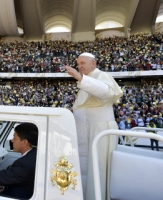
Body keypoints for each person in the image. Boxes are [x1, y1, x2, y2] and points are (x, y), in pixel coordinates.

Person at [64, 52, 123, 200]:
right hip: (87, 130)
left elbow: (105, 92)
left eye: (82, 63)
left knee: (99, 168)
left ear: (93, 64)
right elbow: (86, 106)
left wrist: (79, 77)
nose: (80, 66)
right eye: (78, 64)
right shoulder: (88, 80)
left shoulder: (101, 75)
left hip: (99, 131)